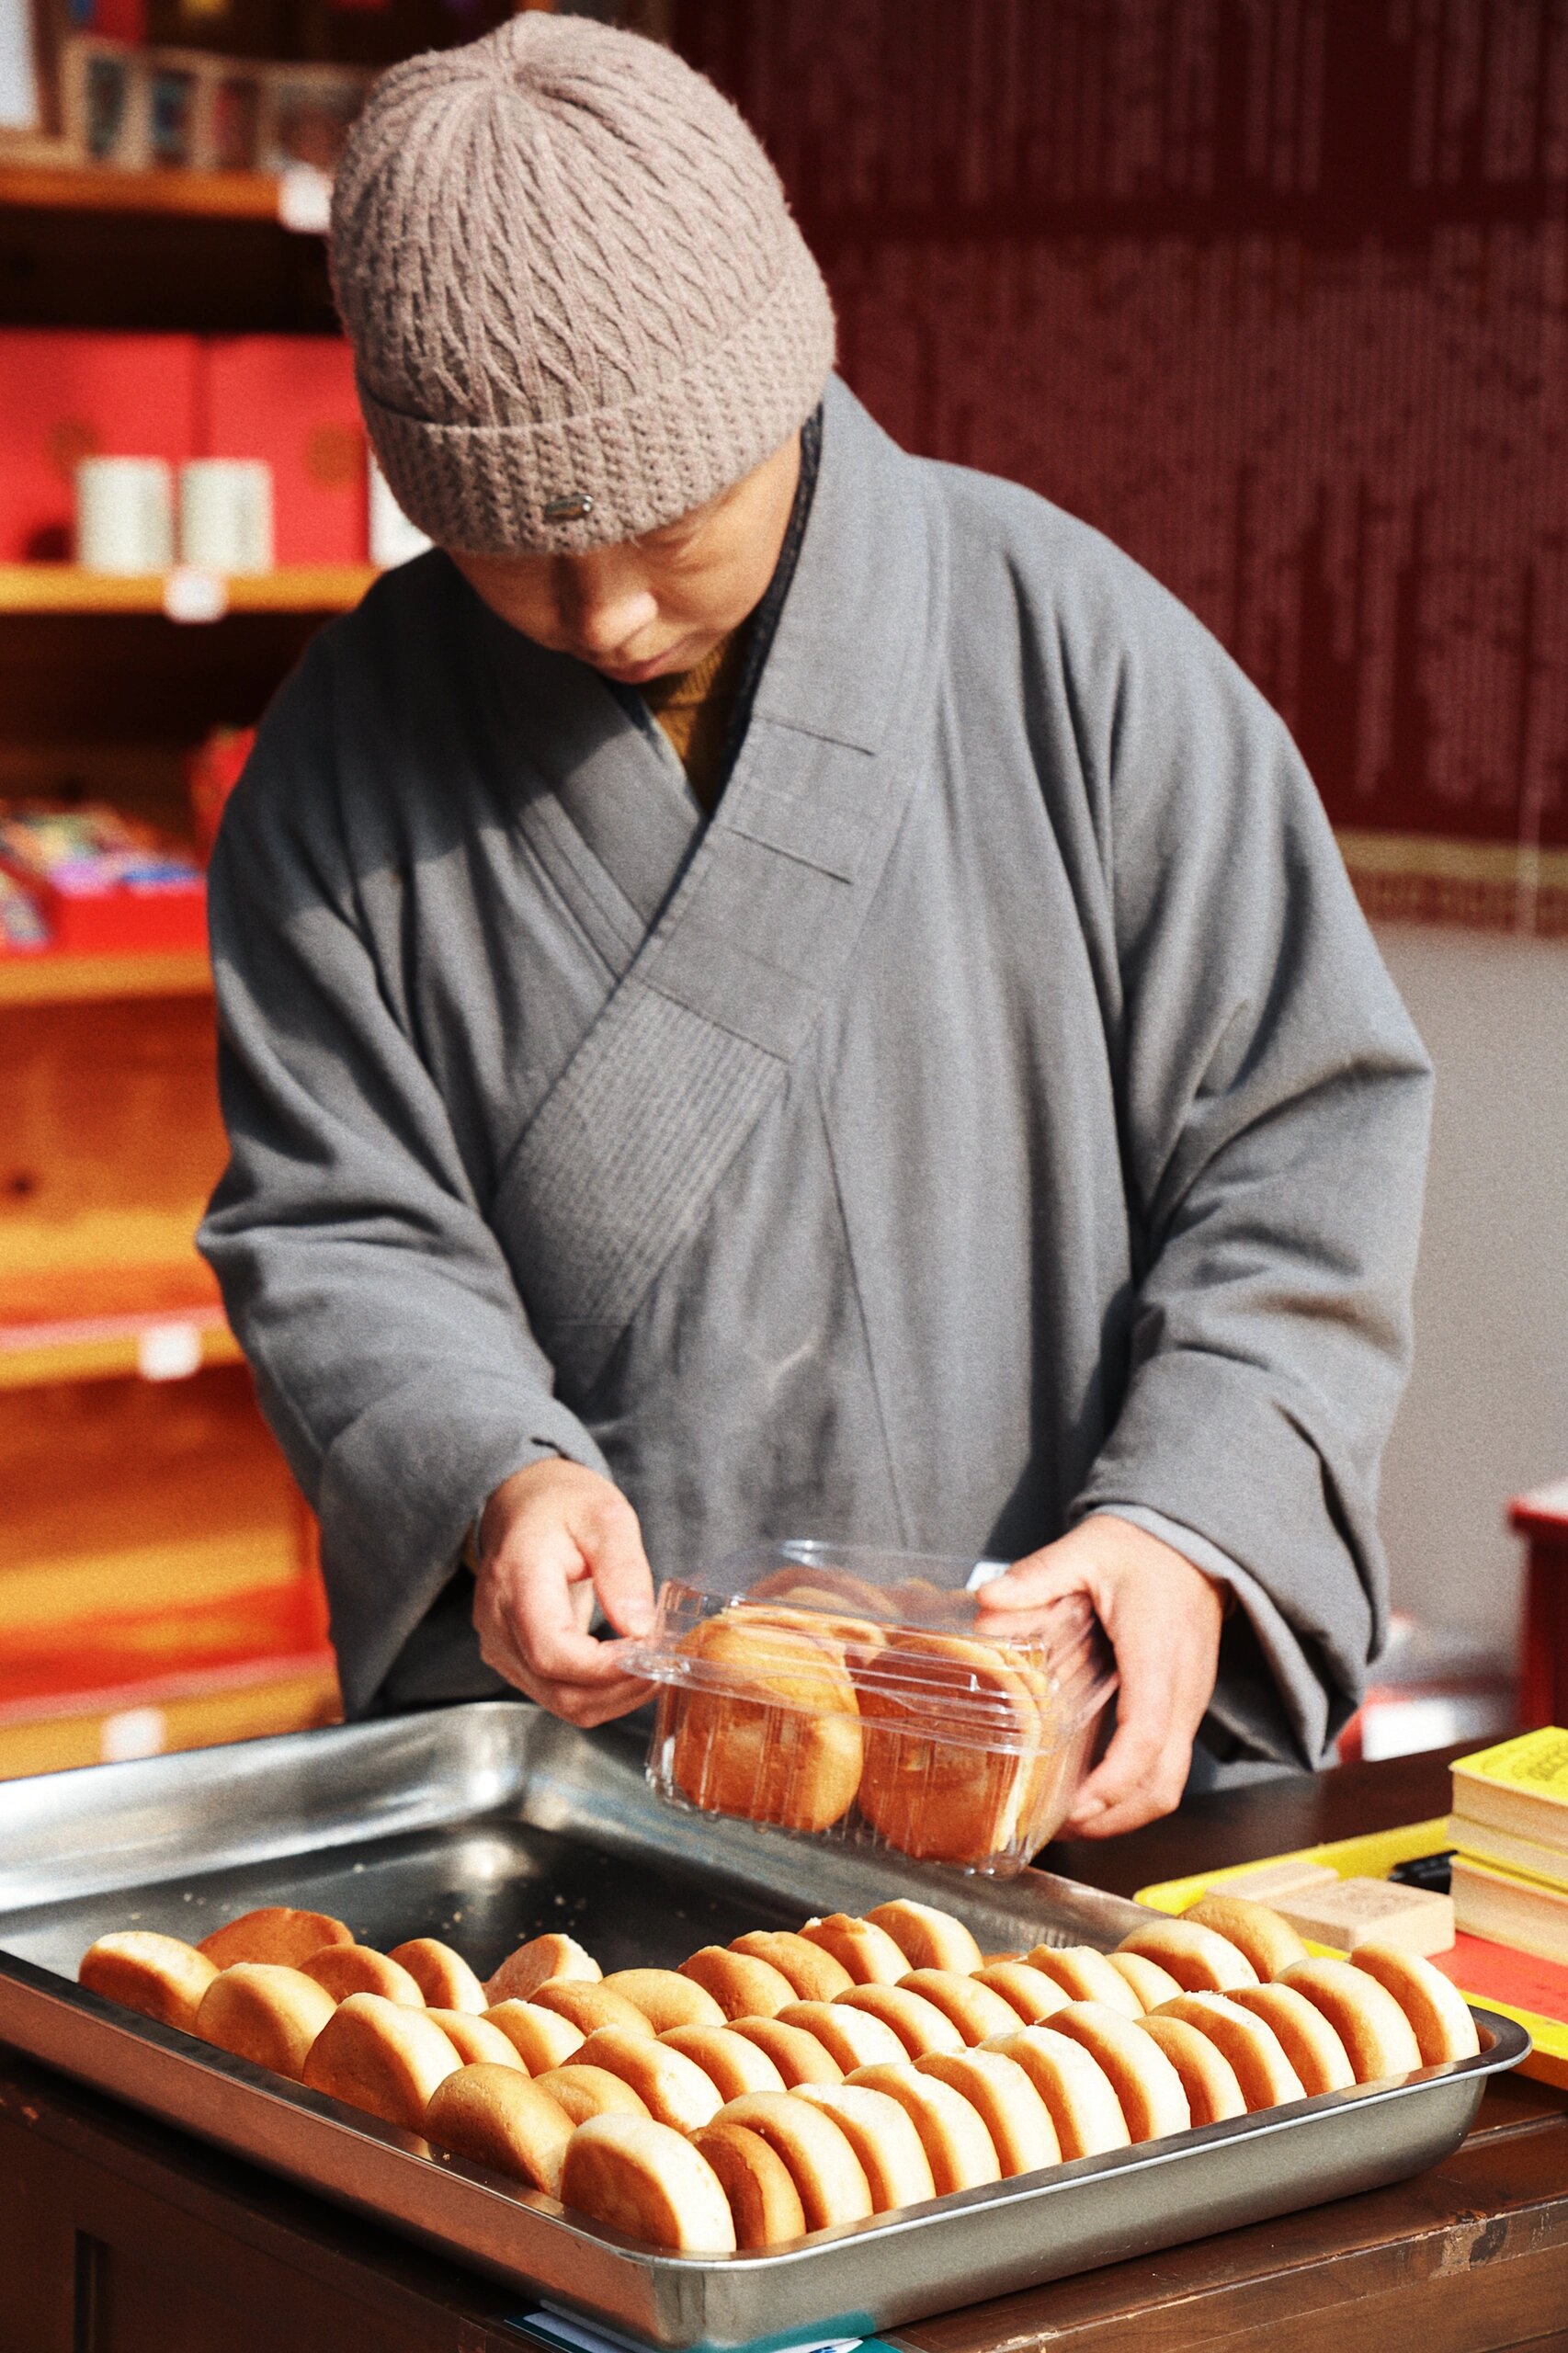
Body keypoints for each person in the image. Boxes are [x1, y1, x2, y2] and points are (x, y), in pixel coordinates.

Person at [199, 13, 1432, 1839]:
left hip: (1050, 1740)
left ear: (780, 380)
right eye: (519, 550)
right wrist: (488, 1477)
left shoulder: (1076, 650)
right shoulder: (345, 756)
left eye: (663, 525)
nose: (608, 610)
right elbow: (341, 1215)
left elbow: (1297, 1136)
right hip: (604, 1770)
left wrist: (1186, 1521)